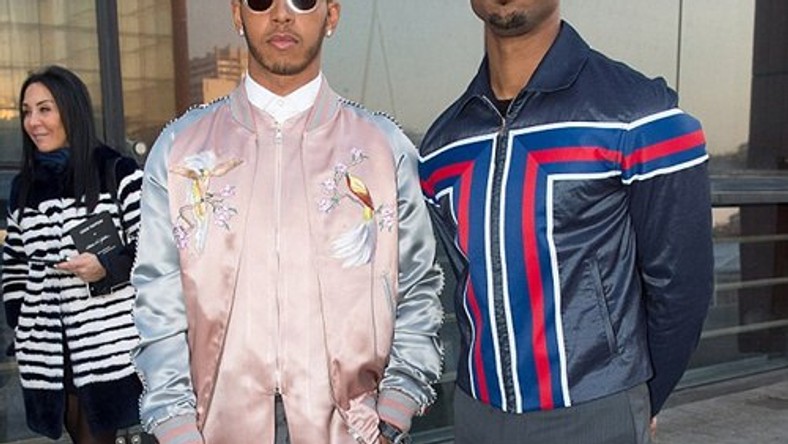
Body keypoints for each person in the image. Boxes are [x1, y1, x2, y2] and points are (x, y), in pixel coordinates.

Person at [131, 1, 444, 443]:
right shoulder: (181, 150)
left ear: (331, 15)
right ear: (238, 14)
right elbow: (158, 299)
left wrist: (394, 410)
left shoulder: (382, 148)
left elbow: (418, 285)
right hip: (212, 428)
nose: (281, 14)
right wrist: (175, 426)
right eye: (262, 1)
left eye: (302, 1)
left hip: (354, 429)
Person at [418, 1, 714, 443]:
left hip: (595, 410)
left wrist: (637, 396)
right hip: (476, 412)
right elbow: (462, 285)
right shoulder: (443, 146)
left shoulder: (640, 116)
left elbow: (683, 284)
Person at [1, 65, 143, 443]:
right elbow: (14, 263)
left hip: (107, 348)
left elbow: (157, 248)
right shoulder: (24, 187)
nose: (33, 122)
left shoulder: (117, 171)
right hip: (47, 350)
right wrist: (21, 319)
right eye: (27, 111)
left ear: (71, 109)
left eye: (45, 109)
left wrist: (106, 268)